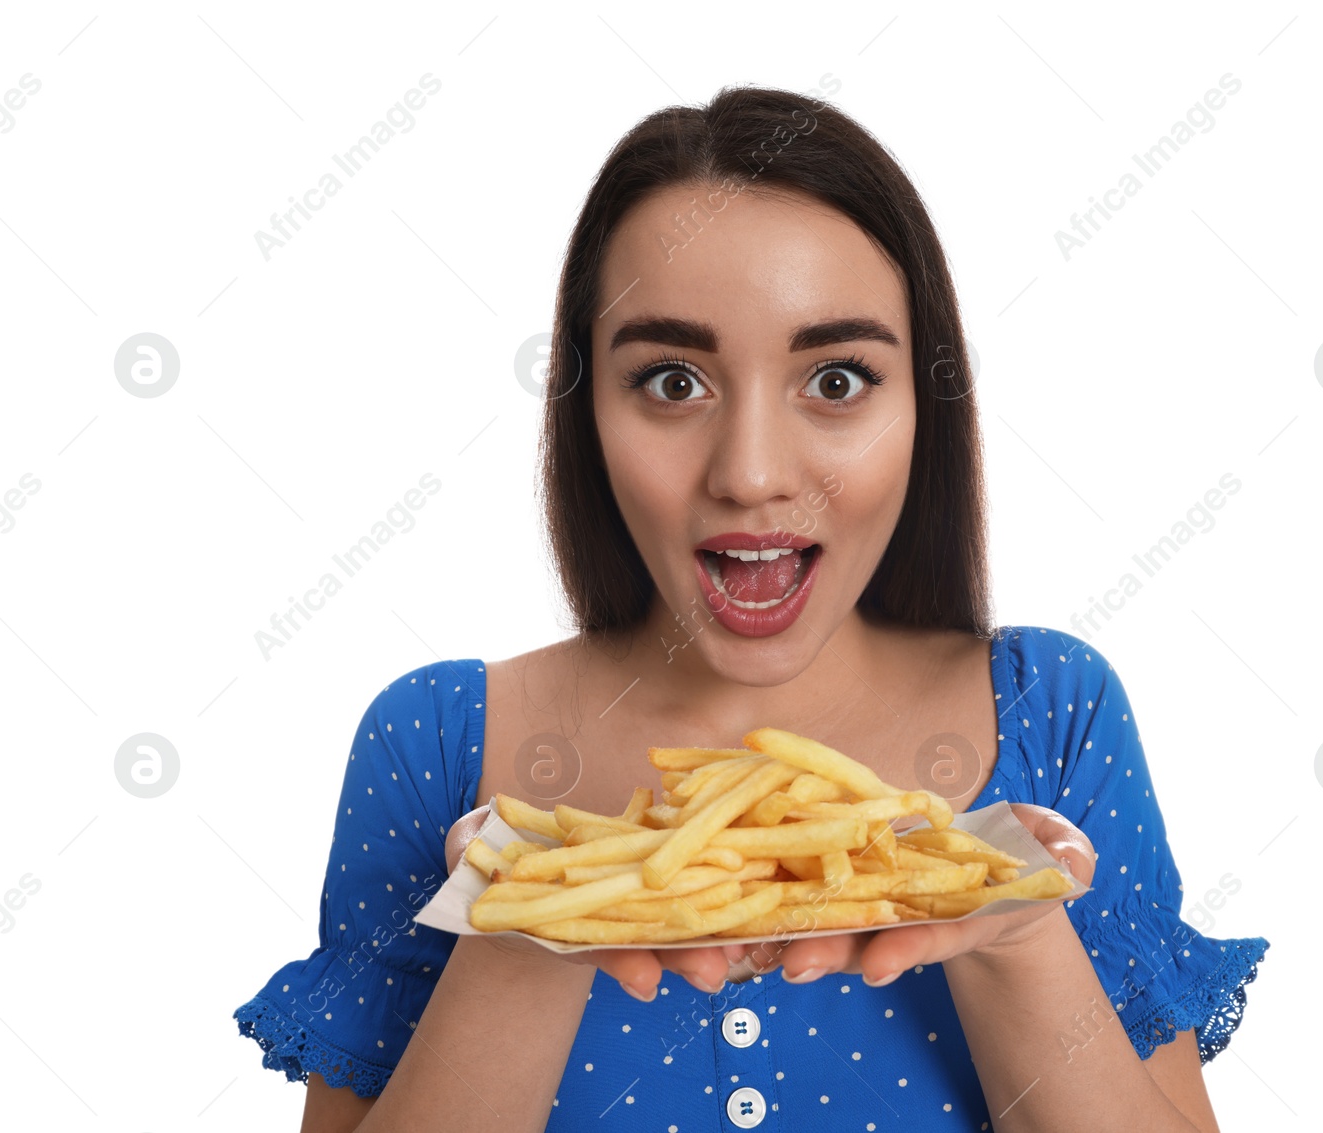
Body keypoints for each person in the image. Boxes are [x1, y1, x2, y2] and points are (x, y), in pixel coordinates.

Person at [233, 83, 1269, 1132]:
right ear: (586, 408)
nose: (752, 473)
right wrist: (519, 928)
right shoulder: (441, 742)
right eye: (674, 381)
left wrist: (1018, 936)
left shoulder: (1051, 712)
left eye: (836, 381)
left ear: (925, 404)